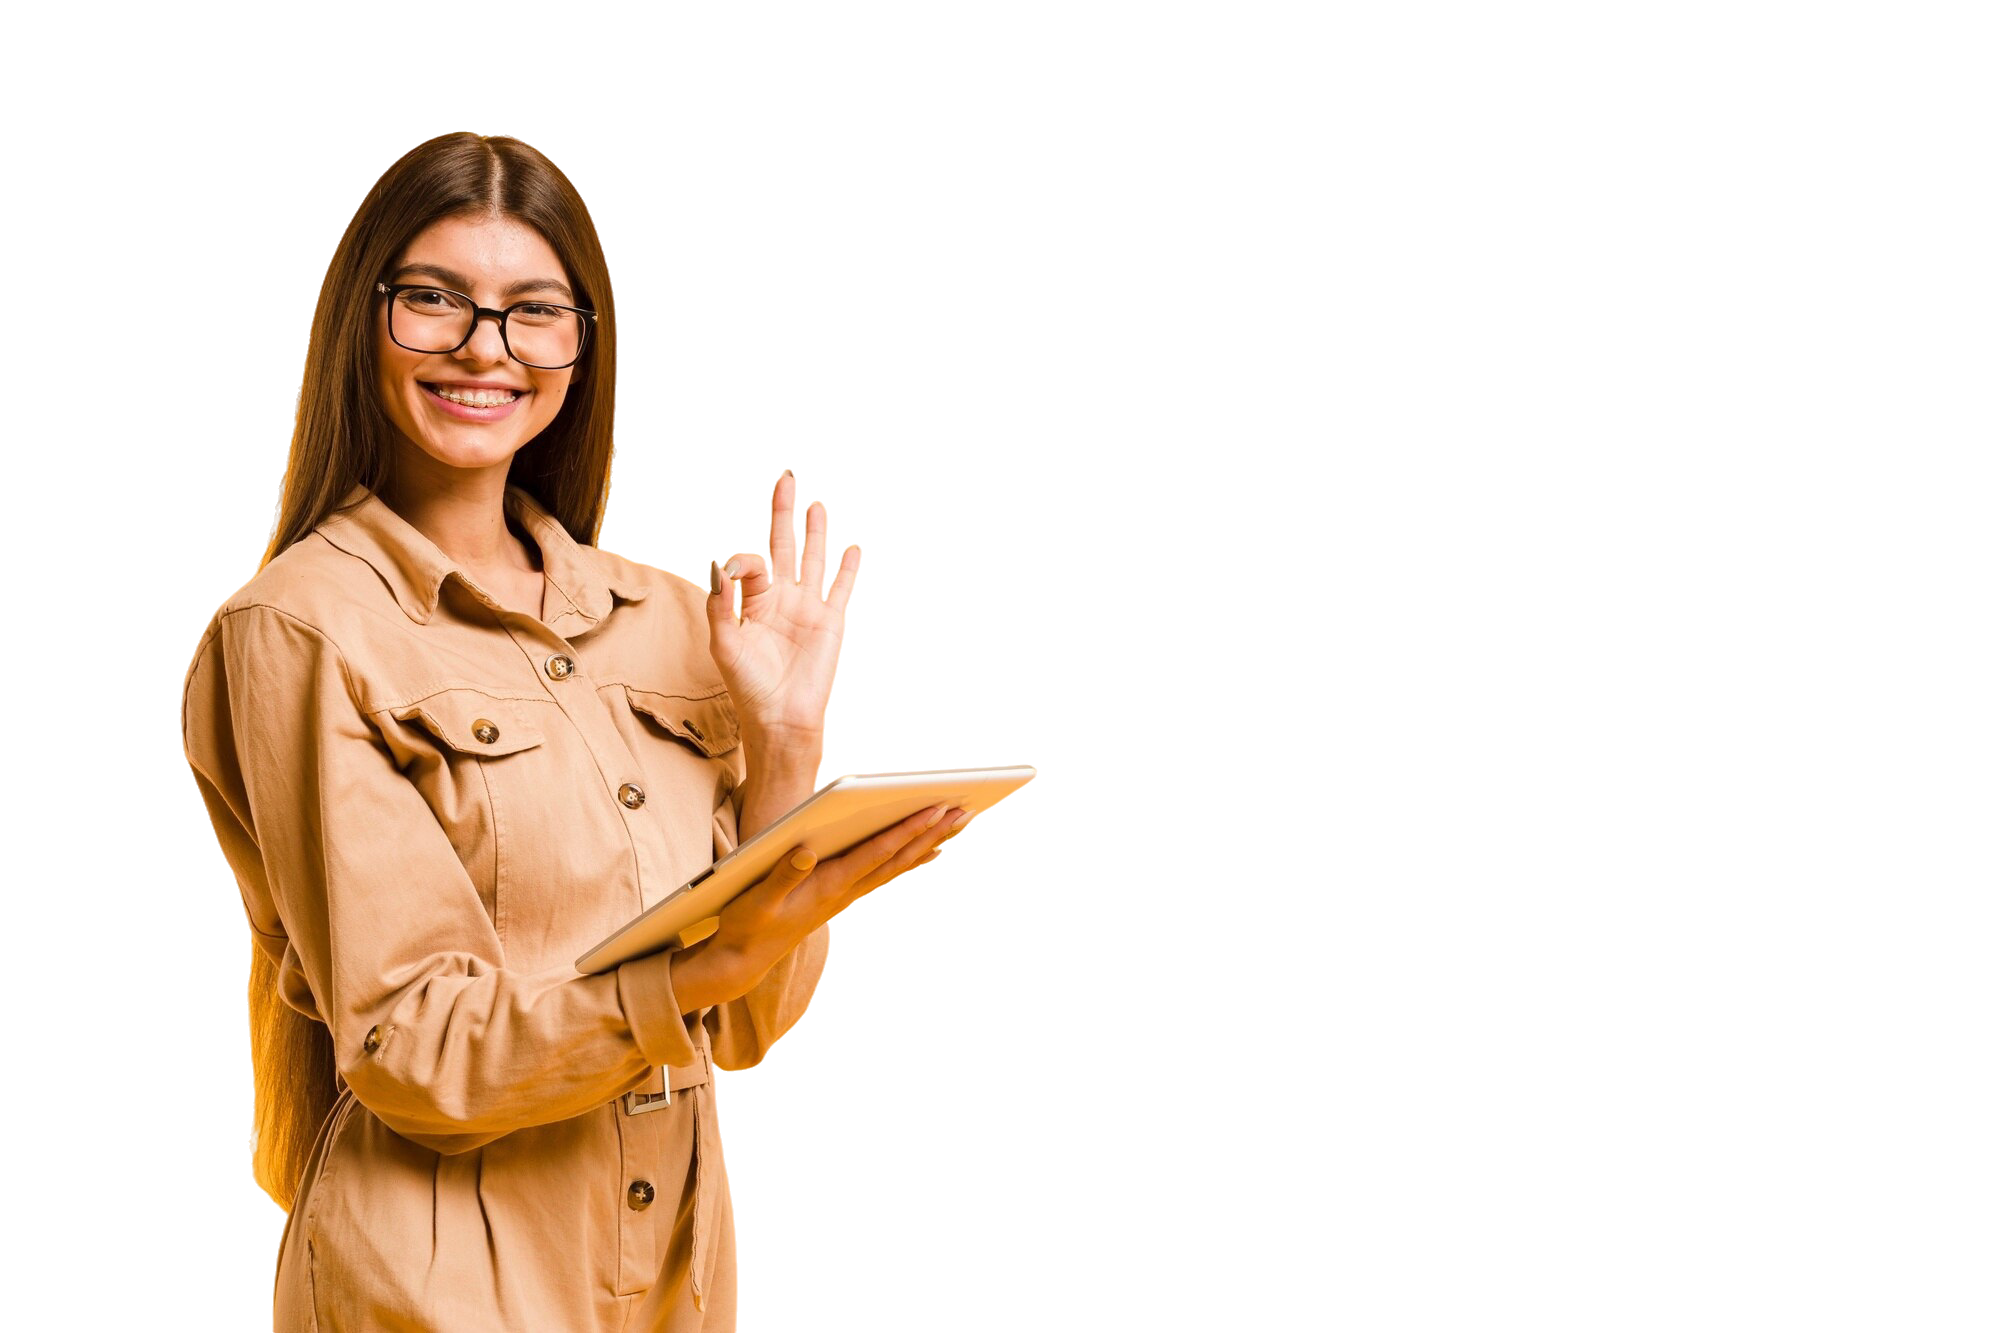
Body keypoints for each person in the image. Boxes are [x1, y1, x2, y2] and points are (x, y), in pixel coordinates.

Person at [172, 127, 980, 1331]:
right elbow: (414, 1047)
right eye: (433, 300)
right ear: (363, 318)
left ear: (582, 343)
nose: (484, 348)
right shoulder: (299, 631)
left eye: (532, 310)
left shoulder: (668, 612)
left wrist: (788, 741)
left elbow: (751, 1027)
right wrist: (691, 971)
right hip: (431, 1293)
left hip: (679, 1283)